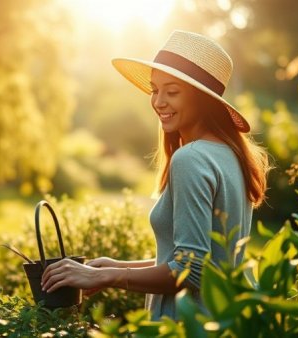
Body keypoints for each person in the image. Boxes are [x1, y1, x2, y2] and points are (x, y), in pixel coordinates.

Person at [40, 30, 271, 320]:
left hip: (189, 323)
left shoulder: (191, 159)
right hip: (228, 319)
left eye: (172, 92)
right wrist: (118, 266)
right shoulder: (230, 154)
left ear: (202, 99)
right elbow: (193, 259)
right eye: (154, 89)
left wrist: (106, 278)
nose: (159, 101)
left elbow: (191, 270)